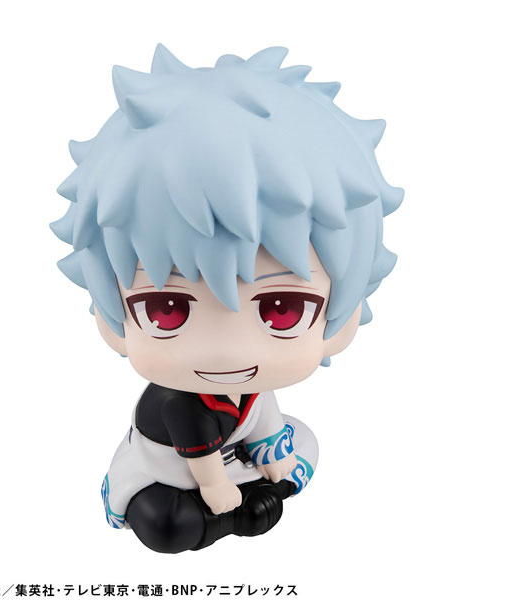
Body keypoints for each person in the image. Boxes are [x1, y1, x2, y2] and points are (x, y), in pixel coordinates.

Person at [51, 44, 403, 553]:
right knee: (163, 523)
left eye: (282, 309)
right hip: (172, 478)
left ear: (342, 315)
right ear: (111, 317)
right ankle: (235, 518)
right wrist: (224, 497)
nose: (227, 352)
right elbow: (205, 471)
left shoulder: (252, 390)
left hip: (237, 462)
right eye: (166, 309)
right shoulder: (179, 402)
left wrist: (275, 461)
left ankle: (253, 504)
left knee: (304, 445)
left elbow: (265, 425)